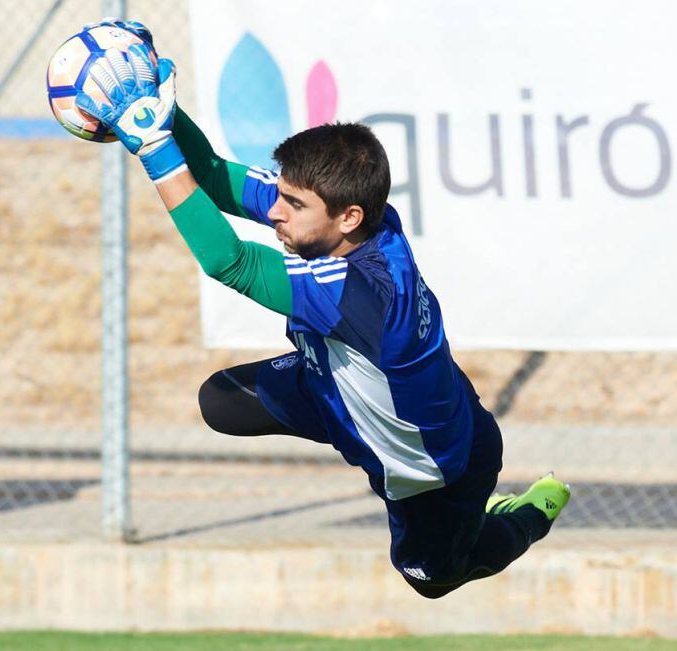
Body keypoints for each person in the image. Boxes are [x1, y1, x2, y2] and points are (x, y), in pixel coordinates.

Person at [75, 21, 571, 598]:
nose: (277, 210)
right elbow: (213, 178)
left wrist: (155, 149)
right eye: (281, 193)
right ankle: (347, 421)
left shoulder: (356, 293)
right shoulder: (363, 220)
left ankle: (529, 514)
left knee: (434, 578)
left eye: (292, 203)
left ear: (347, 218)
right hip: (341, 389)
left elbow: (228, 262)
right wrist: (159, 100)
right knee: (221, 402)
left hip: (436, 471)